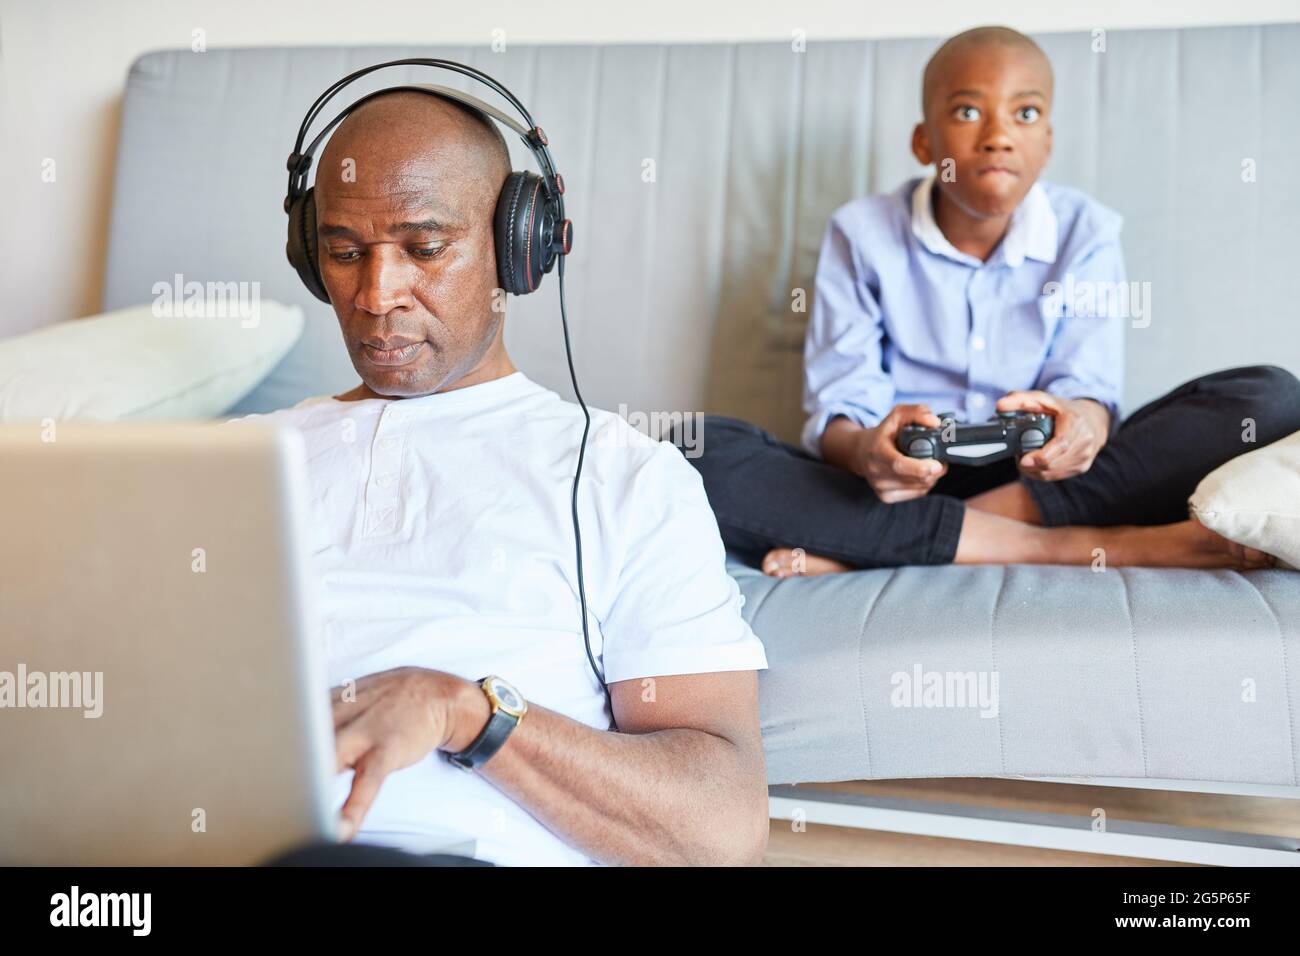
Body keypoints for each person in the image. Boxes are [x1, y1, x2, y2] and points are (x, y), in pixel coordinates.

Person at [234, 88, 770, 866]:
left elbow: (723, 832)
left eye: (423, 248)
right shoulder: (231, 463)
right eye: (346, 253)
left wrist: (467, 712)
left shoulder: (625, 479)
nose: (376, 294)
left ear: (521, 248)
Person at [678, 26, 1300, 577]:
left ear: (1048, 144)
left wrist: (1081, 425)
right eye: (969, 112)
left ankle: (873, 550)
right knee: (693, 448)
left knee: (1269, 398)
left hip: (1042, 479)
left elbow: (1088, 388)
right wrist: (870, 450)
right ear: (924, 143)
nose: (1000, 136)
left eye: (1025, 115)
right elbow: (841, 409)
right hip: (900, 483)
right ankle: (1071, 547)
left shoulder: (1086, 231)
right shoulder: (861, 233)